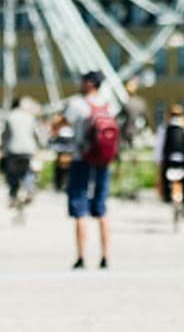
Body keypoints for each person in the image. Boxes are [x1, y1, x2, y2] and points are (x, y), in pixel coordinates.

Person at [54, 70, 112, 269]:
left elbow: (59, 124)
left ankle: (81, 257)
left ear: (89, 83)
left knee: (80, 208)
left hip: (82, 158)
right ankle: (105, 256)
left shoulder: (77, 104)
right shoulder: (108, 103)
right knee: (101, 209)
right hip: (103, 161)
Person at [153, 103, 184, 213]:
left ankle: (169, 197)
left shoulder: (163, 129)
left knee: (166, 182)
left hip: (168, 162)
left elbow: (158, 148)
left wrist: (158, 163)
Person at [3, 98, 41, 205]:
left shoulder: (10, 116)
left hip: (13, 149)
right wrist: (39, 146)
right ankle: (29, 189)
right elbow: (36, 134)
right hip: (29, 149)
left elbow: (5, 134)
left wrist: (2, 147)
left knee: (12, 173)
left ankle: (13, 194)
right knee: (29, 171)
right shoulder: (30, 117)